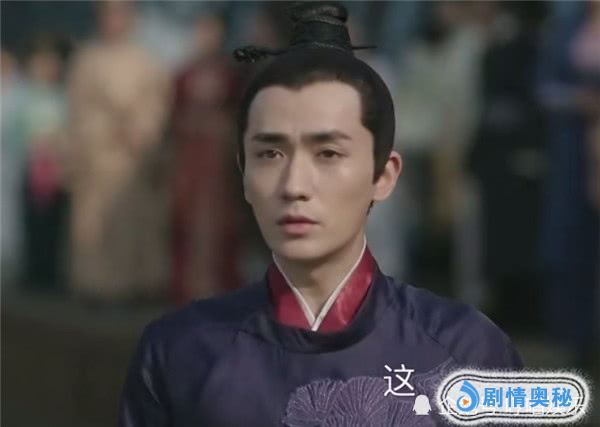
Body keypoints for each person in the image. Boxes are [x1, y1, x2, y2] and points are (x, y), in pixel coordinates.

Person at [119, 3, 522, 426]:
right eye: (270, 154)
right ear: (243, 172)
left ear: (384, 175)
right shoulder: (179, 352)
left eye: (328, 153)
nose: (294, 185)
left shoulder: (466, 352)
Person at [66, 1, 170, 303]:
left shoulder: (146, 61)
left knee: (132, 222)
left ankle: (132, 284)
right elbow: (77, 109)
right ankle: (94, 285)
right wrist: (98, 132)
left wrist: (141, 130)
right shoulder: (86, 59)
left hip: (131, 158)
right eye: (108, 13)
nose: (114, 20)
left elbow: (157, 104)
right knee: (93, 224)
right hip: (96, 154)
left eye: (120, 13)